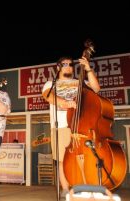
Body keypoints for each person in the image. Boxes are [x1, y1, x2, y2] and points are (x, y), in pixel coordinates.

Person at [42, 56, 100, 198]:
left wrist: (87, 68)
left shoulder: (79, 82)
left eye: (70, 64)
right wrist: (66, 103)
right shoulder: (51, 83)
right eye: (64, 64)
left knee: (83, 158)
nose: (68, 66)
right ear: (58, 67)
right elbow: (48, 97)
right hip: (61, 125)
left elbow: (96, 89)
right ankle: (66, 190)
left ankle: (86, 187)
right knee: (62, 160)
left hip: (80, 125)